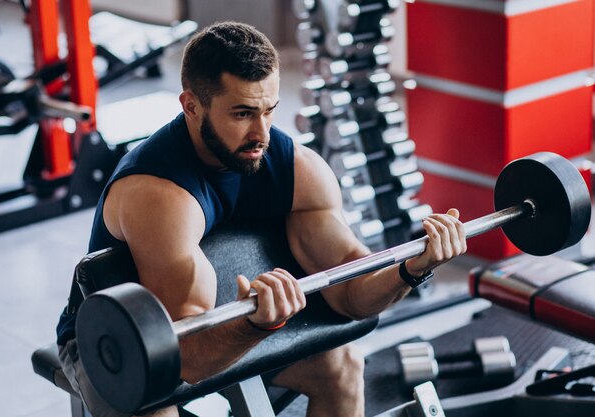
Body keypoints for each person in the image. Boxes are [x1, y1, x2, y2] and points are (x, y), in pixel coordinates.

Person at [56, 21, 467, 417]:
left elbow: (350, 292)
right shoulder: (159, 196)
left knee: (342, 367)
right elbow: (189, 361)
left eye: (269, 110)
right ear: (191, 106)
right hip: (120, 341)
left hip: (221, 320)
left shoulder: (296, 169)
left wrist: (412, 270)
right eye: (242, 114)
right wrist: (257, 325)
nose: (262, 133)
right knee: (154, 410)